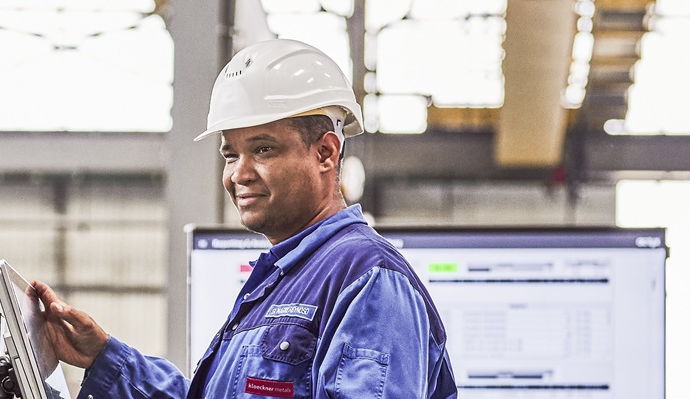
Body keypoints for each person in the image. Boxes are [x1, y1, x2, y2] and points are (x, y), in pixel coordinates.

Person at [29, 39, 457, 399]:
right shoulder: (283, 279)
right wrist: (106, 358)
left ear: (326, 153)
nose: (239, 174)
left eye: (264, 149)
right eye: (230, 154)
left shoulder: (368, 280)